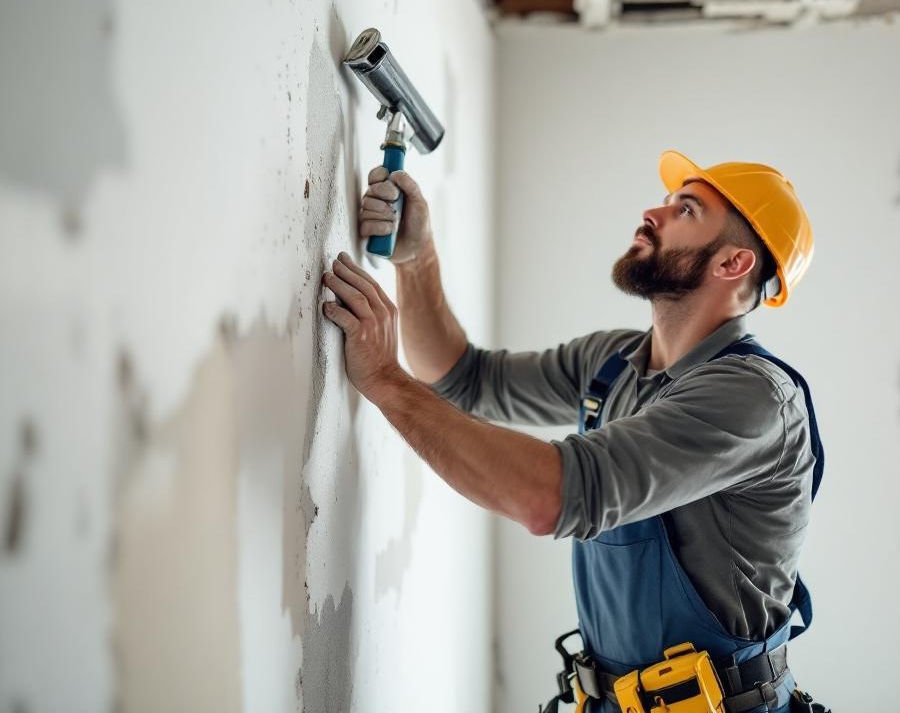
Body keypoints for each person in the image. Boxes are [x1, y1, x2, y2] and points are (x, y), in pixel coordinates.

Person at [320, 150, 829, 713]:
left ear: (733, 264)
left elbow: (551, 496)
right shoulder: (613, 362)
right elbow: (464, 378)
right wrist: (415, 260)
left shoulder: (751, 397)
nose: (651, 214)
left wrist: (386, 380)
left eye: (685, 210)